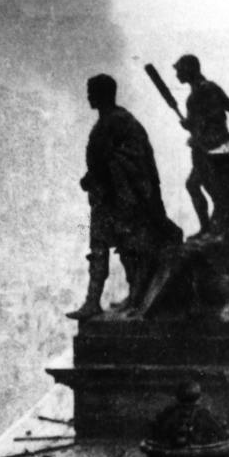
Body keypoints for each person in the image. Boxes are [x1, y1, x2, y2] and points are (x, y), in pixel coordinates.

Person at [69, 75, 183, 321]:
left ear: (103, 94)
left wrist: (93, 177)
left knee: (129, 249)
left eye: (91, 91)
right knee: (102, 248)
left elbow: (125, 159)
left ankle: (134, 298)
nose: (88, 96)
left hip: (123, 198)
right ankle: (94, 302)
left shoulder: (118, 122)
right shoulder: (112, 121)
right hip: (106, 197)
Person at [173, 54, 229, 235]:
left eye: (180, 70)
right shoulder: (207, 88)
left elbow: (223, 114)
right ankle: (210, 226)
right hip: (213, 146)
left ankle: (214, 226)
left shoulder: (200, 93)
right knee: (199, 186)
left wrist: (191, 126)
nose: (177, 75)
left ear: (189, 70)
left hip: (209, 149)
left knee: (209, 188)